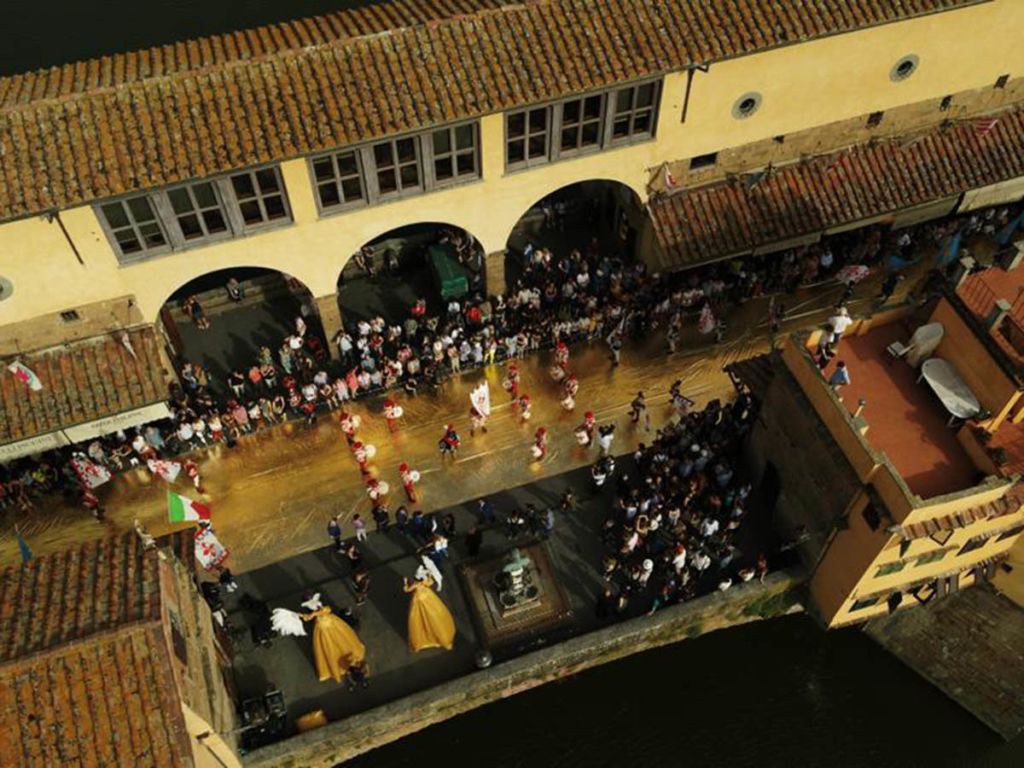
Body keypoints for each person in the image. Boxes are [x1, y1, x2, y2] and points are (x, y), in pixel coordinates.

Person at [298, 602, 367, 683]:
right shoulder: (357, 657)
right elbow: (326, 609)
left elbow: (326, 609)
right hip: (334, 628)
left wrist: (302, 615)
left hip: (327, 632)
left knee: (329, 645)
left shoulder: (320, 620)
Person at [404, 575, 456, 652]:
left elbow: (407, 590)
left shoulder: (415, 585)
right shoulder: (423, 583)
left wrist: (405, 583)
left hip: (420, 602)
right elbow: (430, 582)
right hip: (428, 599)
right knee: (436, 618)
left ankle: (422, 640)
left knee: (418, 620)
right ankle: (443, 639)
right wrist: (429, 576)